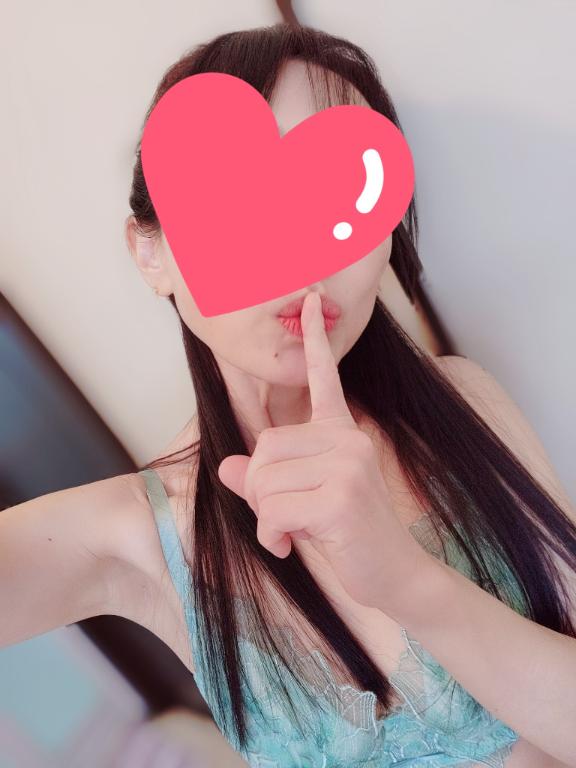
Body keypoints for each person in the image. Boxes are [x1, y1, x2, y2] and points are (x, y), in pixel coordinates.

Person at [3, 22, 576, 768]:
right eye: (238, 198)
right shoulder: (140, 538)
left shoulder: (465, 406)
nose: (304, 252)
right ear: (152, 253)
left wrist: (407, 582)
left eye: (341, 192)